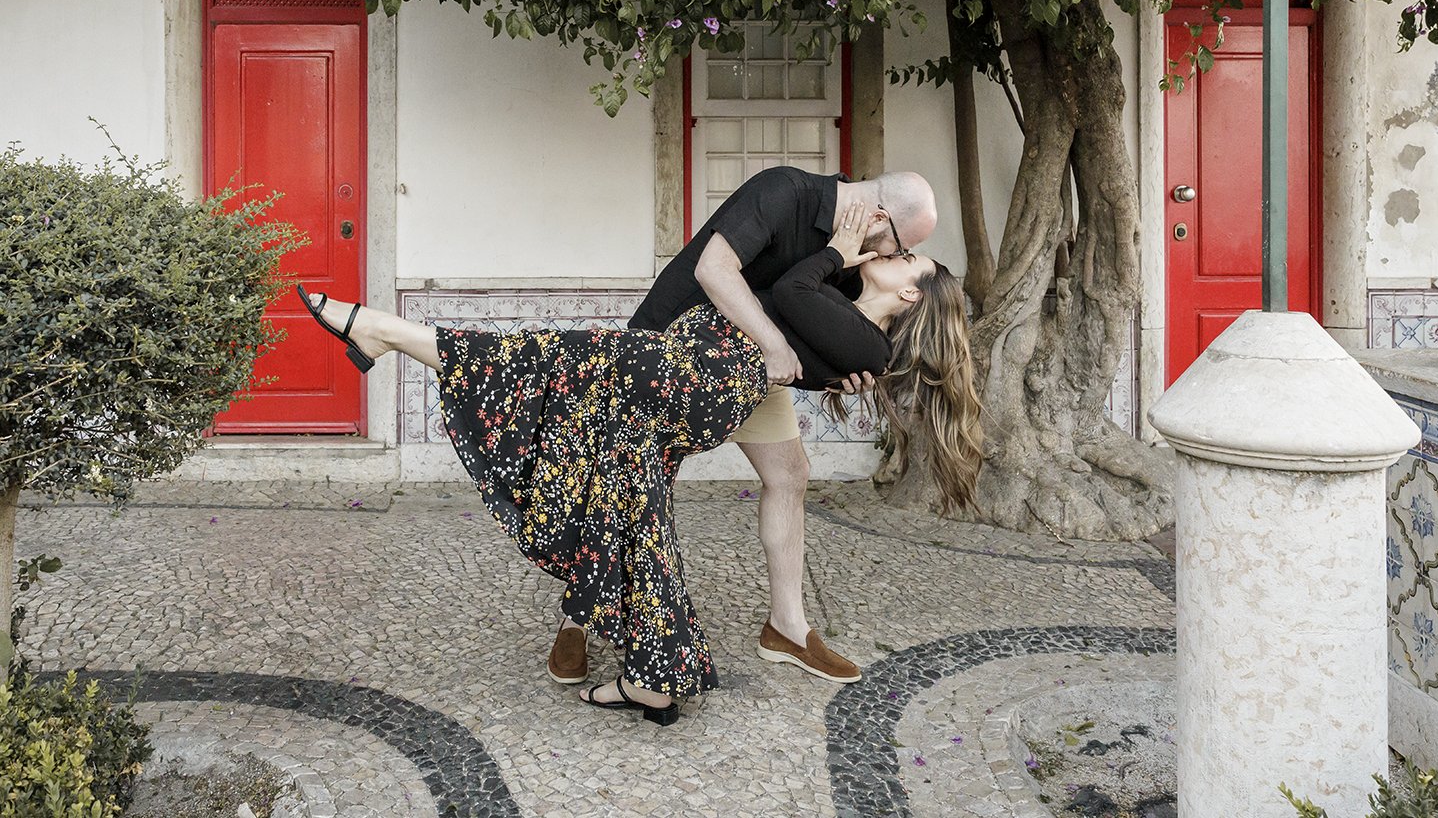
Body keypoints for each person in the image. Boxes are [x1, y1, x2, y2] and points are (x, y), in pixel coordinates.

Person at [296, 201, 984, 725]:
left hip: (692, 379)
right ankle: (657, 674)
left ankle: (383, 331)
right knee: (632, 507)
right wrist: (838, 273)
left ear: (912, 295)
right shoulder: (850, 321)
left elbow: (794, 295)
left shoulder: (865, 338)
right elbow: (792, 322)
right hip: (689, 367)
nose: (889, 254)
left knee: (550, 358)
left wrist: (835, 249)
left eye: (905, 262)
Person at [548, 167, 942, 690]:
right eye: (897, 245)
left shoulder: (856, 255)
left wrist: (840, 377)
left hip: (753, 369)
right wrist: (775, 344)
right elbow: (715, 269)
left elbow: (826, 321)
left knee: (790, 474)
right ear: (879, 217)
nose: (891, 256)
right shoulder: (784, 191)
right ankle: (576, 620)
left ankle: (788, 627)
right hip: (677, 352)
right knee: (630, 486)